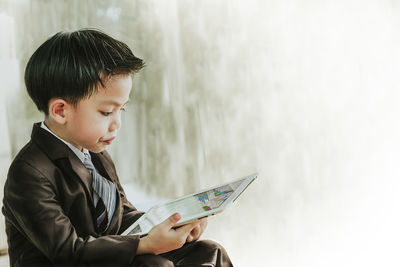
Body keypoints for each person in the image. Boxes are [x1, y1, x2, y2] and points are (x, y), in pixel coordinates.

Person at [2, 29, 233, 267]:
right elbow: (67, 251)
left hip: (107, 256)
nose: (117, 124)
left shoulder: (96, 154)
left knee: (208, 252)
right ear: (61, 111)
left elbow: (122, 218)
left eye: (121, 110)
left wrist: (170, 226)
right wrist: (145, 245)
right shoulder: (29, 173)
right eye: (106, 112)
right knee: (153, 265)